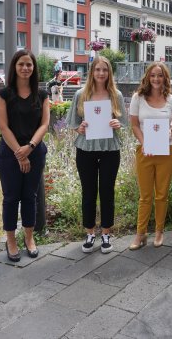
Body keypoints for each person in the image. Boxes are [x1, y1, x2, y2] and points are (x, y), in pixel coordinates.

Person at [65, 57, 127, 254]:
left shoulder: (115, 95)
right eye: (98, 69)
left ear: (109, 73)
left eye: (105, 70)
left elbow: (124, 121)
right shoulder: (81, 94)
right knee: (88, 192)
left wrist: (117, 124)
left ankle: (106, 233)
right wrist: (80, 128)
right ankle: (90, 233)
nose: (101, 73)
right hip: (86, 149)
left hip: (110, 149)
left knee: (107, 191)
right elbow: (73, 122)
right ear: (92, 72)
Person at [0, 50, 50, 262]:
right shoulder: (3, 94)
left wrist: (31, 147)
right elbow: (3, 126)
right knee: (10, 197)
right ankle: (11, 240)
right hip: (10, 153)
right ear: (14, 67)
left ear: (34, 68)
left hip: (35, 152)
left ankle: (29, 238)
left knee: (30, 196)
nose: (25, 68)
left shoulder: (42, 95)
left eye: (29, 64)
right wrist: (20, 153)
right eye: (21, 64)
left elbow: (44, 124)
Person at [129, 62, 172, 250]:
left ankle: (159, 231)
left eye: (160, 75)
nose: (156, 79)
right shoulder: (138, 98)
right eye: (153, 75)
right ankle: (140, 233)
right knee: (145, 196)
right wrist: (145, 142)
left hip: (167, 150)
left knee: (161, 194)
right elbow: (134, 124)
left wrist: (171, 129)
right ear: (147, 77)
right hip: (145, 150)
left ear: (165, 78)